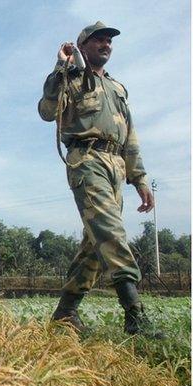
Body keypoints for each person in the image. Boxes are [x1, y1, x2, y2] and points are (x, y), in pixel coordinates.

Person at [38, 21, 163, 338]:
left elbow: (129, 137)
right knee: (110, 230)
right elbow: (47, 110)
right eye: (98, 40)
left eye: (109, 41)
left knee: (95, 245)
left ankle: (64, 314)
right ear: (83, 46)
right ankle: (135, 315)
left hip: (116, 165)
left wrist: (140, 179)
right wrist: (60, 67)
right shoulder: (71, 80)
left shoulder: (118, 89)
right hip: (86, 160)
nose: (106, 44)